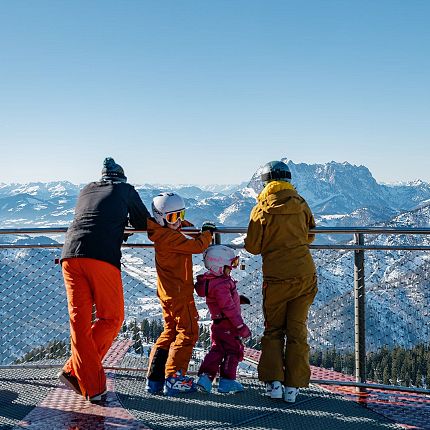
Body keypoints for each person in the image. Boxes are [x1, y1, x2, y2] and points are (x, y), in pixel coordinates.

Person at [59, 157, 151, 403]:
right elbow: (144, 223)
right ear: (121, 177)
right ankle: (89, 383)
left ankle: (77, 373)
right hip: (101, 257)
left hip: (69, 255)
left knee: (79, 323)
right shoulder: (125, 189)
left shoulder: (86, 189)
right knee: (111, 318)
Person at [244, 160, 317, 403]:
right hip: (305, 275)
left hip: (276, 279)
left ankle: (274, 383)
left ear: (265, 183)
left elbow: (253, 247)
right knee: (297, 331)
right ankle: (293, 388)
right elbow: (311, 235)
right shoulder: (301, 203)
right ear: (288, 181)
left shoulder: (261, 209)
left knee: (274, 330)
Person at [145, 193, 213, 396]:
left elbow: (184, 229)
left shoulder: (161, 232)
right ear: (160, 218)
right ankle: (174, 377)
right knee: (188, 332)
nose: (178, 222)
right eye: (173, 218)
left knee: (170, 332)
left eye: (180, 215)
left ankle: (154, 380)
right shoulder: (170, 238)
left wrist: (181, 221)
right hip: (179, 293)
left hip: (168, 293)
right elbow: (197, 246)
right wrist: (207, 233)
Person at [195, 245, 251, 394]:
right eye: (229, 265)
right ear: (219, 266)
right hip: (229, 324)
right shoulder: (221, 284)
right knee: (234, 351)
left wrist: (237, 299)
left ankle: (205, 378)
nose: (231, 269)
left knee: (217, 350)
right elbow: (228, 308)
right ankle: (227, 382)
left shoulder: (213, 281)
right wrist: (241, 327)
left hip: (218, 324)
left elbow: (224, 301)